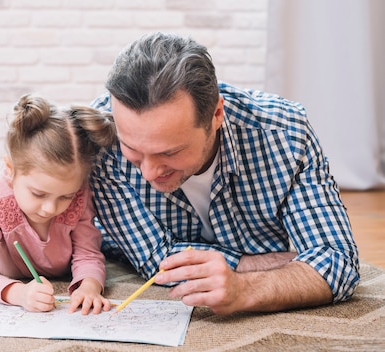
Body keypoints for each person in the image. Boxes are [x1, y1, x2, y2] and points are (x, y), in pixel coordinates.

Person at [89, 32, 359, 315]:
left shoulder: (286, 134)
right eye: (132, 149)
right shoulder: (100, 136)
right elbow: (156, 259)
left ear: (217, 114)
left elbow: (337, 262)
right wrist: (288, 263)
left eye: (169, 153)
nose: (148, 171)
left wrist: (245, 288)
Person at [0, 93, 116, 314]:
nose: (50, 209)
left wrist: (90, 287)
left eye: (65, 197)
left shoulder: (80, 194)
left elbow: (88, 253)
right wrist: (19, 294)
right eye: (38, 194)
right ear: (10, 169)